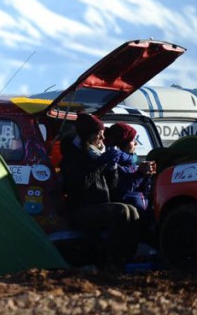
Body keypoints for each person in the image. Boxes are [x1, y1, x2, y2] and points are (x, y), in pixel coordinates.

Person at [60, 113, 142, 269]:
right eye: (100, 135)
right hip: (80, 210)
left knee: (133, 210)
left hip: (99, 205)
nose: (103, 139)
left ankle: (126, 259)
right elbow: (80, 185)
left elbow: (112, 187)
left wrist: (112, 168)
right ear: (91, 136)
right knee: (121, 211)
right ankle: (112, 262)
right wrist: (100, 164)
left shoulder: (97, 155)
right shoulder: (73, 157)